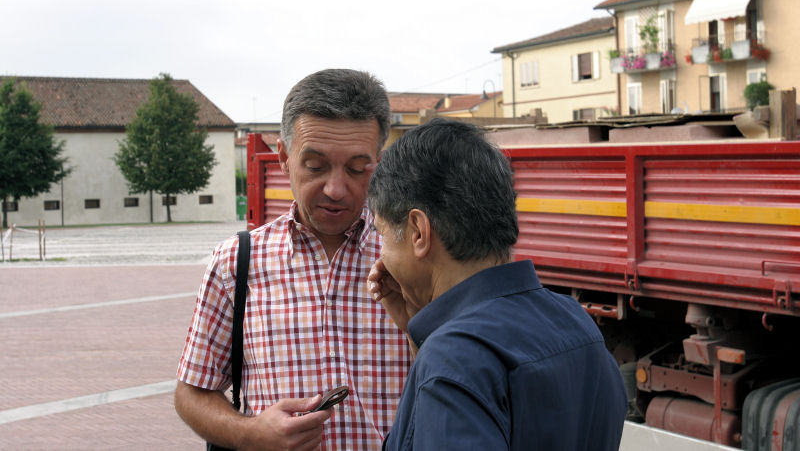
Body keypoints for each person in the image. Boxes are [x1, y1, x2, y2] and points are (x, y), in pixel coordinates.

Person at [175, 69, 413, 451]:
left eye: (357, 169)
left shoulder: (411, 257)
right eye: (315, 166)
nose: (335, 189)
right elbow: (192, 393)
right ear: (284, 157)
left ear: (379, 163)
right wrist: (251, 434)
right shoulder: (236, 262)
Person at [367, 118, 627, 450]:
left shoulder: (453, 358)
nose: (382, 255)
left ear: (418, 232)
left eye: (382, 234)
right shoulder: (575, 321)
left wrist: (438, 346)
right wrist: (423, 330)